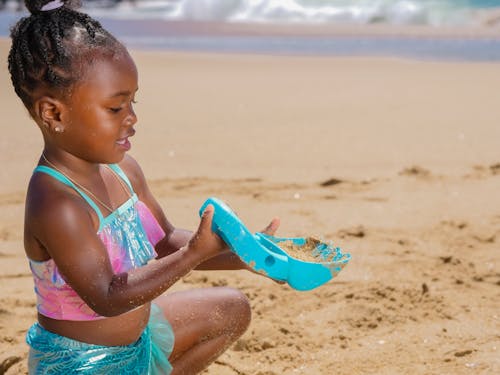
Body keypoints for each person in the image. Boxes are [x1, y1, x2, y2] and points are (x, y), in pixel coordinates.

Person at [8, 1, 280, 373]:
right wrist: (191, 257)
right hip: (82, 365)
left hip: (140, 340)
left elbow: (165, 239)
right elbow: (106, 296)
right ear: (53, 113)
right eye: (115, 109)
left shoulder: (123, 171)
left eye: (132, 102)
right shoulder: (57, 202)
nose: (132, 118)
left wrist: (247, 254)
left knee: (231, 309)